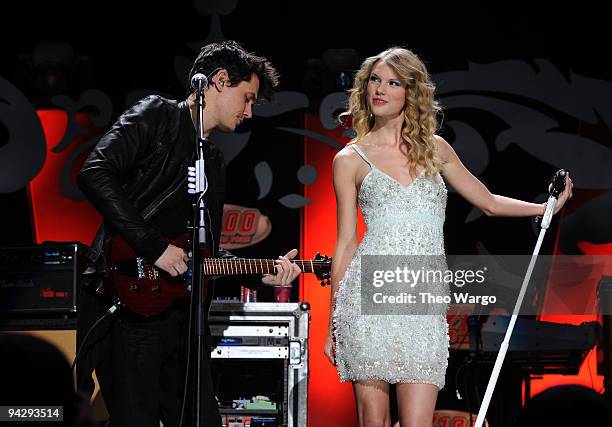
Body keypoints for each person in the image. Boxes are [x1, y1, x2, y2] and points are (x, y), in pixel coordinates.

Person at [324, 47, 573, 427]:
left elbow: (487, 202)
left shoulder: (435, 150)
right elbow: (345, 244)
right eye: (375, 80)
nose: (380, 89)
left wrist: (545, 209)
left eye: (393, 82)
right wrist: (333, 324)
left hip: (422, 301)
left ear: (411, 92)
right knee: (373, 420)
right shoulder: (350, 159)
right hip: (368, 297)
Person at [76, 40, 301, 427]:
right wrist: (154, 247)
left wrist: (259, 271)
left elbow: (205, 253)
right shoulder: (156, 115)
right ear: (218, 81)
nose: (249, 111)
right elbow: (94, 172)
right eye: (246, 98)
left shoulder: (213, 160)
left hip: (182, 318)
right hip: (130, 304)